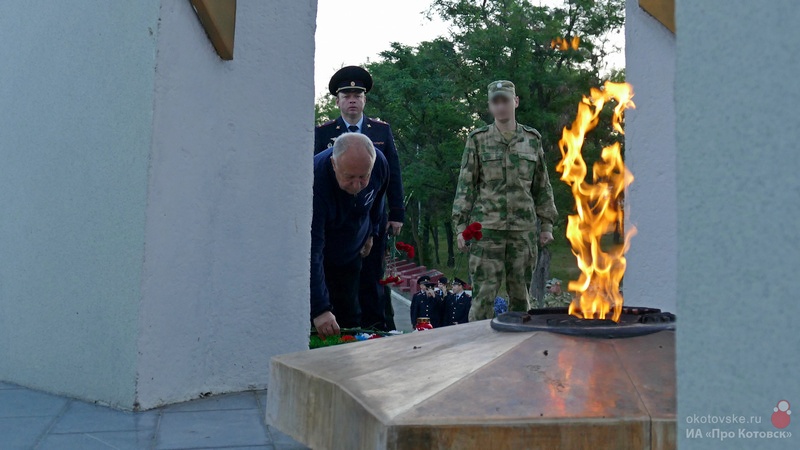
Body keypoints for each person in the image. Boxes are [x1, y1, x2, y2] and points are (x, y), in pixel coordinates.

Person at [452, 80, 558, 321]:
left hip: (523, 232)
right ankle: (480, 353)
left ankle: (518, 353)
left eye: (505, 101)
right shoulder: (478, 139)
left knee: (521, 299)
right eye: (495, 102)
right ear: (490, 106)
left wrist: (547, 224)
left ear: (516, 102)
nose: (501, 107)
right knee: (482, 299)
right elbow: (466, 185)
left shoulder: (532, 139)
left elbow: (542, 185)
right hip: (486, 232)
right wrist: (460, 227)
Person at [315, 66, 405, 331]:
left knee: (372, 277)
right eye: (346, 95)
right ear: (338, 101)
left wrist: (396, 212)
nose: (352, 99)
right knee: (338, 275)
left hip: (370, 217)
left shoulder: (380, 131)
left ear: (364, 100)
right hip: (335, 220)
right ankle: (343, 324)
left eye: (357, 94)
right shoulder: (323, 133)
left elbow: (392, 174)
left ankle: (376, 325)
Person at [311, 133, 389, 338]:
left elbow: (378, 198)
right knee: (323, 323)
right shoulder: (314, 182)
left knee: (351, 317)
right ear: (334, 164)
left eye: (363, 177)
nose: (356, 186)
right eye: (349, 178)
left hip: (354, 250)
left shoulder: (380, 162)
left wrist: (372, 231)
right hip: (324, 255)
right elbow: (312, 250)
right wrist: (320, 309)